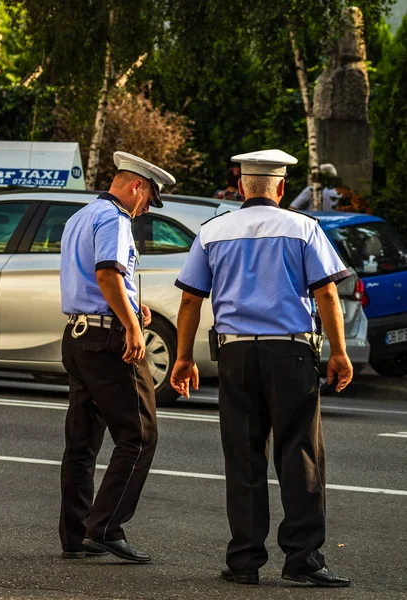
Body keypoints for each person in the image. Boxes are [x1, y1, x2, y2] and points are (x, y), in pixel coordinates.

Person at [170, 149, 353, 587]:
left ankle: (244, 561)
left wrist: (181, 358)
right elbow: (326, 295)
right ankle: (302, 560)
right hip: (289, 354)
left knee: (243, 456)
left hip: (235, 357)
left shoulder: (212, 231)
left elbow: (190, 300)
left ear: (239, 186)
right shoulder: (303, 228)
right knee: (299, 454)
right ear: (282, 187)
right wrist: (340, 354)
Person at [59, 151, 175, 561]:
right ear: (136, 186)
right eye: (147, 200)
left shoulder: (80, 216)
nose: (145, 210)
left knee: (82, 442)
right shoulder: (115, 218)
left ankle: (75, 536)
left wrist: (131, 306)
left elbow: (96, 280)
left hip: (77, 336)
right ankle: (105, 528)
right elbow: (107, 273)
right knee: (139, 435)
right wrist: (131, 326)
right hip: (107, 341)